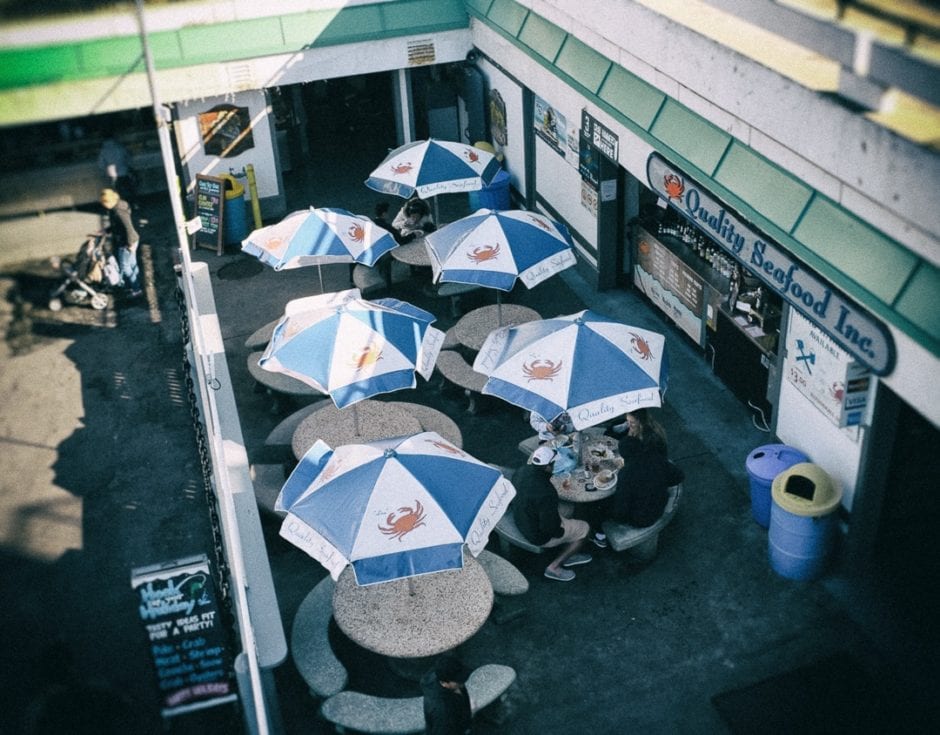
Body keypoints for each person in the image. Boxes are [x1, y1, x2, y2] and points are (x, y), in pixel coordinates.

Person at [512, 445, 592, 581]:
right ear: (547, 467)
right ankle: (555, 566)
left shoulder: (522, 470)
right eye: (554, 463)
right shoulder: (546, 492)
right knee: (585, 529)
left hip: (521, 517)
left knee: (568, 509)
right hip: (537, 535)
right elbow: (549, 528)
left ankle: (569, 546)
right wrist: (561, 532)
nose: (555, 465)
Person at [604, 409, 683, 534]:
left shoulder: (627, 473)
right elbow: (678, 476)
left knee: (606, 504)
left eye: (632, 422)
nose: (629, 424)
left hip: (641, 519)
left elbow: (620, 513)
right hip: (658, 501)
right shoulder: (650, 457)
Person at [99, 188, 142, 298]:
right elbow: (118, 226)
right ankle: (136, 285)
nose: (103, 205)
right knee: (132, 264)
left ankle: (136, 289)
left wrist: (130, 244)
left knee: (125, 266)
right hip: (133, 239)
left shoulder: (117, 212)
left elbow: (127, 227)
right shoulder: (121, 205)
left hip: (127, 242)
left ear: (108, 201)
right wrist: (106, 230)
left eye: (104, 203)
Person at [421, 655, 472, 735]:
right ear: (444, 683)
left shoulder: (445, 678)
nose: (463, 683)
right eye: (458, 681)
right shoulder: (443, 711)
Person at [97, 134, 136, 204]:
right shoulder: (120, 147)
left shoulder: (103, 150)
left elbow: (101, 164)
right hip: (124, 172)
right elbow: (128, 158)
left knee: (117, 192)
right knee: (129, 189)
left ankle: (121, 206)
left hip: (113, 175)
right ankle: (133, 204)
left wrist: (106, 171)